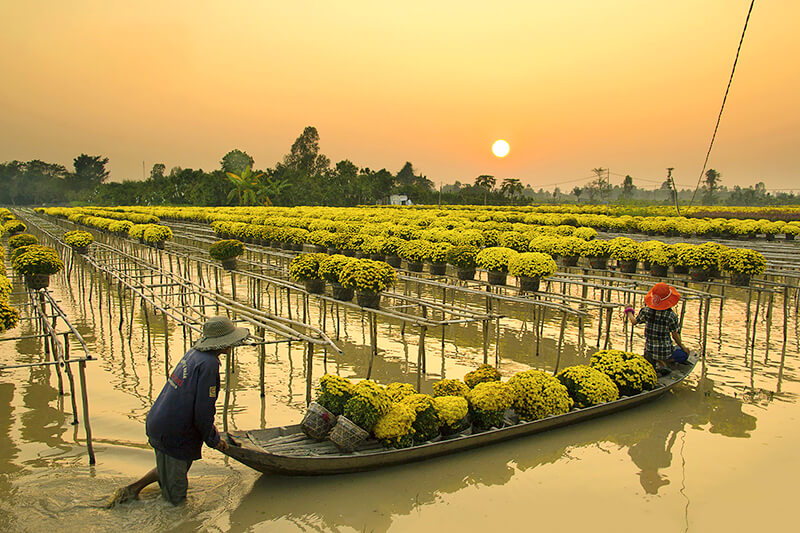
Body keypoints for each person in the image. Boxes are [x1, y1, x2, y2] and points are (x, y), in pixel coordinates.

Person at [107, 316, 250, 507]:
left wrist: (211, 435)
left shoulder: (194, 353)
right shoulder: (209, 365)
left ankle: (131, 490)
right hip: (174, 430)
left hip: (160, 420)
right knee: (176, 501)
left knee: (173, 466)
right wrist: (213, 440)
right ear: (223, 342)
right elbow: (203, 411)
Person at [624, 282, 689, 376]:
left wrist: (629, 311)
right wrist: (684, 347)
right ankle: (664, 360)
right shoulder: (671, 316)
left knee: (673, 351)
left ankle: (657, 361)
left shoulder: (646, 311)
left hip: (649, 350)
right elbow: (675, 335)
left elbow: (634, 321)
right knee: (684, 354)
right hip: (665, 352)